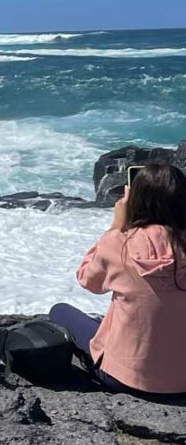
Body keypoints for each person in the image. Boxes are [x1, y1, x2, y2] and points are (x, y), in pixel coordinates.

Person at [50, 164, 186, 395]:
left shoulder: (120, 242)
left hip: (123, 379)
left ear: (134, 198)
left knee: (60, 311)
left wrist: (116, 227)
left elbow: (87, 280)